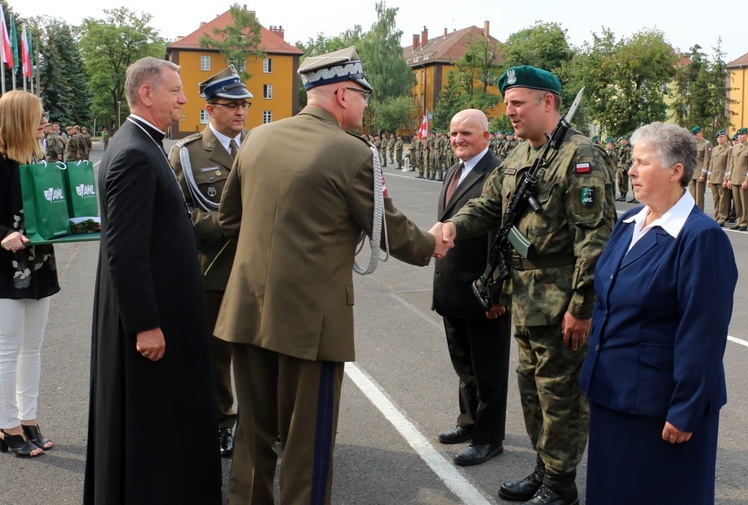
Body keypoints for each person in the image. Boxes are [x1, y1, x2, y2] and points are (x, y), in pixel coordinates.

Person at [215, 46, 448, 505]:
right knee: (308, 443)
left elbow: (229, 219)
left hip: (245, 310)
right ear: (342, 93)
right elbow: (390, 231)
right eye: (362, 95)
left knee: (255, 433)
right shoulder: (352, 153)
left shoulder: (257, 139)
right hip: (310, 321)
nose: (365, 105)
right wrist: (432, 243)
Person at [439, 66, 616, 505]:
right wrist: (452, 228)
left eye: (518, 103)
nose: (510, 112)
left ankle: (561, 485)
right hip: (526, 298)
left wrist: (582, 305)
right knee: (533, 390)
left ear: (548, 103)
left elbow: (595, 238)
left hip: (562, 302)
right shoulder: (520, 156)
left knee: (561, 397)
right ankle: (544, 468)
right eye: (508, 103)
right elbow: (485, 205)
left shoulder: (580, 155)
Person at [83, 57, 222, 504]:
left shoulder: (139, 144)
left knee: (152, 429)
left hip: (156, 312)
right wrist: (145, 323)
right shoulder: (135, 155)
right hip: (151, 322)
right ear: (147, 94)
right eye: (175, 90)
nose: (184, 99)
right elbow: (124, 250)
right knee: (151, 433)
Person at [579, 122, 737, 505]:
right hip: (612, 394)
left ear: (675, 171)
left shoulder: (700, 237)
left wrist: (686, 409)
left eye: (641, 162)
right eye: (632, 161)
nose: (630, 170)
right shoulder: (629, 222)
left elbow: (703, 333)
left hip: (659, 409)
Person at [168, 64, 252, 458]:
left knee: (258, 350)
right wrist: (223, 225)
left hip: (255, 268)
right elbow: (177, 211)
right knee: (217, 357)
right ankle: (222, 422)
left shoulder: (256, 147)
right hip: (214, 268)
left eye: (245, 105)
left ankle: (259, 423)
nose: (240, 112)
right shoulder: (186, 154)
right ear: (209, 109)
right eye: (231, 105)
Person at [433, 109, 512, 467]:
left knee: (489, 371)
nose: (457, 139)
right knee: (465, 365)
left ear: (486, 136)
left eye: (466, 133)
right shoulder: (455, 170)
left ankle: (488, 438)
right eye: (453, 133)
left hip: (483, 291)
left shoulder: (498, 173)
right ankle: (469, 422)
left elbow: (502, 237)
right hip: (453, 287)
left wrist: (497, 294)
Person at [0, 91, 58, 459]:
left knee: (33, 347)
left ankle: (29, 418)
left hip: (38, 265)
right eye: (38, 118)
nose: (44, 124)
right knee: (7, 350)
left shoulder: (37, 160)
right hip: (5, 268)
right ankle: (7, 426)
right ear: (20, 121)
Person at [727, 127, 748, 231]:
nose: (740, 137)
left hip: (743, 179)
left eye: (742, 135)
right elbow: (731, 164)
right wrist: (729, 178)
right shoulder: (735, 148)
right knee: (737, 202)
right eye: (739, 135)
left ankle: (744, 222)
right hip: (735, 178)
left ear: (747, 135)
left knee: (744, 202)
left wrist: (747, 180)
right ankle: (739, 220)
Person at [709, 130, 732, 225]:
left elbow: (729, 164)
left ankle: (722, 218)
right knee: (716, 199)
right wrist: (709, 178)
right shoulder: (714, 149)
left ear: (726, 137)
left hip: (722, 178)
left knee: (723, 200)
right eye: (718, 137)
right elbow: (711, 164)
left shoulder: (729, 149)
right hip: (714, 177)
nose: (720, 138)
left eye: (722, 137)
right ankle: (717, 216)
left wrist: (726, 179)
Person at [690, 125, 711, 211]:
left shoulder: (707, 144)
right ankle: (692, 212)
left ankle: (699, 213)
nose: (695, 136)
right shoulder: (693, 144)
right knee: (692, 196)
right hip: (693, 172)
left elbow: (707, 160)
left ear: (701, 133)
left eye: (696, 134)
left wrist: (703, 174)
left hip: (700, 173)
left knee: (699, 196)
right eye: (693, 135)